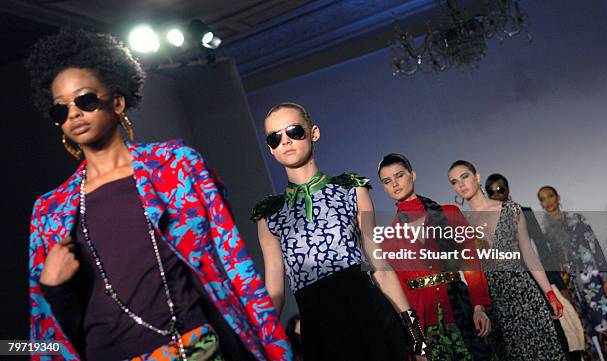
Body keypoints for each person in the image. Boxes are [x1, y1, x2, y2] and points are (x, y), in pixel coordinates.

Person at [26, 28, 291, 361]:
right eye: (60, 110)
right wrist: (53, 287)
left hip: (196, 350)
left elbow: (232, 263)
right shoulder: (50, 212)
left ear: (117, 102)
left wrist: (274, 349)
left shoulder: (177, 169)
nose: (74, 113)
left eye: (86, 100)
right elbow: (45, 333)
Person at [251, 103, 427, 361]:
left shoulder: (352, 189)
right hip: (319, 328)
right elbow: (274, 289)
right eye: (275, 138)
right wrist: (256, 342)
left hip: (369, 312)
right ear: (270, 148)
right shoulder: (268, 214)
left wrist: (414, 332)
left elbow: (378, 263)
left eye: (294, 131)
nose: (285, 141)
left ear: (314, 133)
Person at [378, 154, 495, 361]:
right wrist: (416, 342)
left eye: (399, 175)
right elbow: (401, 295)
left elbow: (471, 262)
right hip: (426, 326)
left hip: (463, 313)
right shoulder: (388, 241)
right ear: (384, 187)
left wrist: (479, 307)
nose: (395, 184)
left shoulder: (449, 213)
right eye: (387, 181)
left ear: (412, 175)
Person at [447, 160, 567, 361]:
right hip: (493, 303)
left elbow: (529, 254)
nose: (460, 184)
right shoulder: (461, 224)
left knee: (544, 353)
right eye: (454, 181)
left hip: (524, 293)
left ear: (477, 177)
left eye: (465, 176)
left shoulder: (511, 210)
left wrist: (550, 293)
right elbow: (469, 270)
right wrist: (478, 307)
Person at [485, 174, 580, 359]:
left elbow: (542, 249)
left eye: (500, 189)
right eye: (491, 192)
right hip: (513, 287)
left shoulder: (524, 212)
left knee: (558, 329)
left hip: (539, 280)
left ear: (508, 190)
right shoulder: (487, 221)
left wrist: (557, 284)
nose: (497, 194)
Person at [539, 185, 607, 361]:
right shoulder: (546, 233)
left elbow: (596, 250)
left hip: (592, 282)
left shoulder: (577, 220)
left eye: (550, 196)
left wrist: (606, 279)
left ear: (558, 197)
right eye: (543, 199)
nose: (548, 201)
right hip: (570, 287)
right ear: (541, 204)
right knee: (584, 333)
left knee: (605, 326)